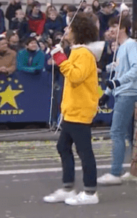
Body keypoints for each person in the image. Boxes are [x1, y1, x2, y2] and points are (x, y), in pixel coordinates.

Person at [43, 14, 102, 206]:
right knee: (63, 147)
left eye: (70, 28)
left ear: (78, 31)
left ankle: (90, 191)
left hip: (80, 110)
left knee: (84, 151)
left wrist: (60, 58)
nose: (66, 30)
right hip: (72, 109)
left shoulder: (84, 54)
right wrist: (62, 56)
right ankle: (68, 187)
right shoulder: (77, 52)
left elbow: (76, 76)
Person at [97, 15, 137, 185]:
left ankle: (115, 172)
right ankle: (135, 170)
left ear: (123, 28)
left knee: (116, 132)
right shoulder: (122, 47)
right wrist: (107, 93)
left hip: (128, 92)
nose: (110, 31)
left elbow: (136, 69)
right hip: (123, 91)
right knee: (131, 134)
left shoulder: (132, 45)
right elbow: (117, 72)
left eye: (113, 27)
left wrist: (117, 83)